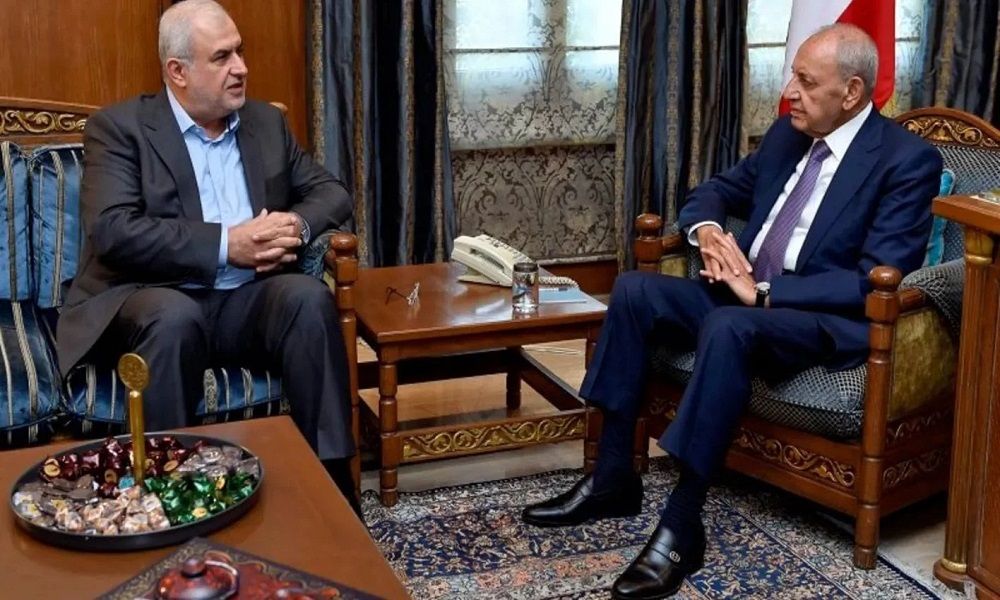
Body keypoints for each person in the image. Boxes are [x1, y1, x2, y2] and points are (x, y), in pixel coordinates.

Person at [522, 23, 942, 599]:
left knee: (729, 323)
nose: (790, 92)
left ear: (851, 92)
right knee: (634, 290)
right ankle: (613, 475)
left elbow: (875, 279)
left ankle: (681, 524)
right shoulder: (789, 134)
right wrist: (709, 231)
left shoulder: (906, 161)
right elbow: (714, 191)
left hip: (814, 318)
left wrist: (765, 295)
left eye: (806, 82)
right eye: (793, 76)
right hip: (740, 299)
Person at [56, 0, 359, 514]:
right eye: (222, 57)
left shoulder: (264, 122)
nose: (241, 67)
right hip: (155, 298)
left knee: (308, 299)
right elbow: (113, 230)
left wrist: (294, 226)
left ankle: (331, 497)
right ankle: (165, 501)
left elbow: (331, 192)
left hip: (244, 303)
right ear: (178, 71)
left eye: (239, 52)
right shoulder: (121, 128)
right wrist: (226, 244)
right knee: (174, 317)